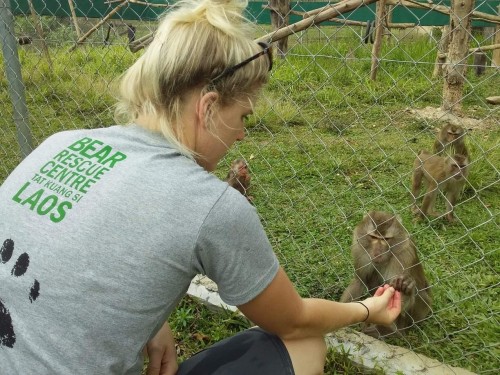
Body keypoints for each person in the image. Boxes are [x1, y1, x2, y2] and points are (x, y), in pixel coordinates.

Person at [0, 0, 401, 374]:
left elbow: (81, 251)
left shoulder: (60, 142)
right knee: (307, 344)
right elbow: (293, 320)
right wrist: (367, 309)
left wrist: (150, 324)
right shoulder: (209, 205)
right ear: (207, 109)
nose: (243, 134)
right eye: (243, 116)